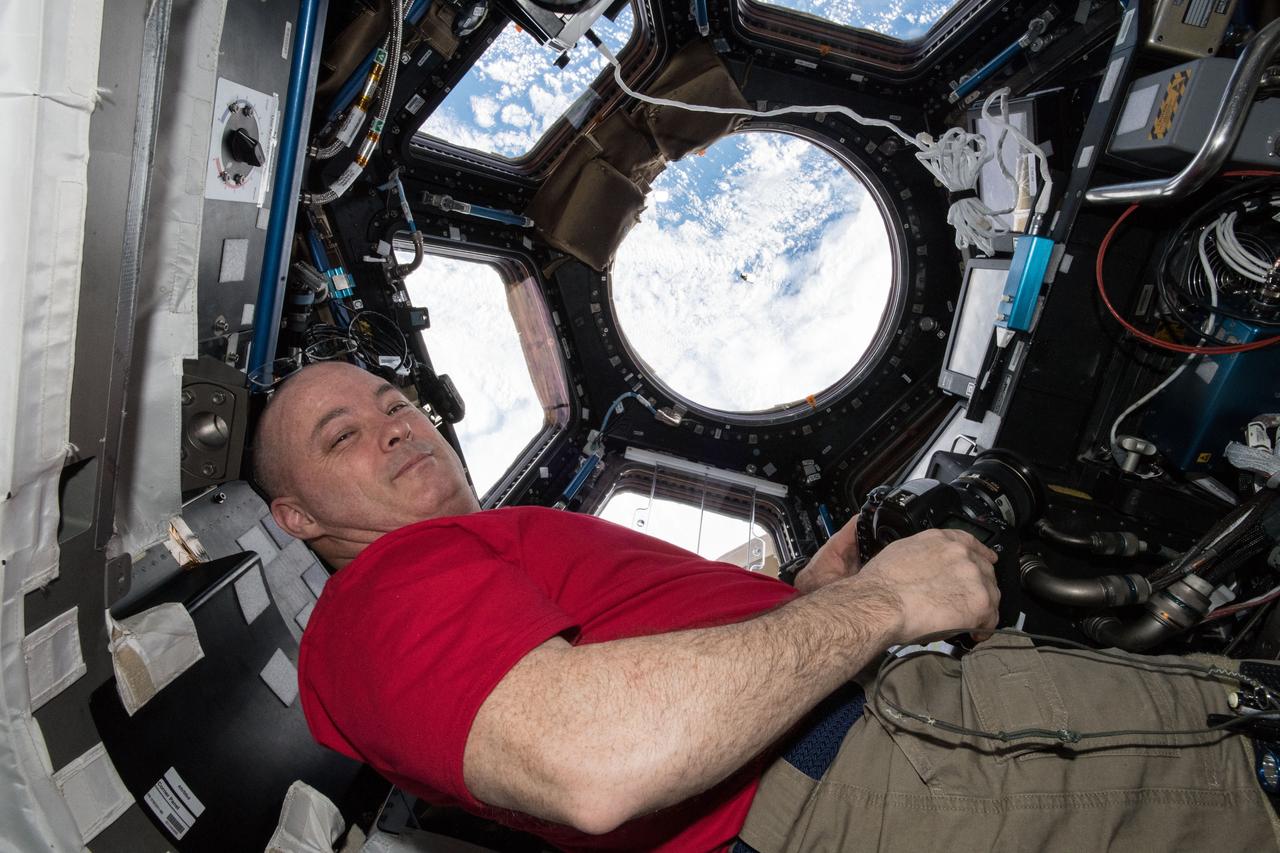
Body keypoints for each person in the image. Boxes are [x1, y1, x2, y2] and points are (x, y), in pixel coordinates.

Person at [254, 362, 1279, 852]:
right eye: (343, 436)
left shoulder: (479, 557)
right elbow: (595, 757)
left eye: (395, 403)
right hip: (881, 783)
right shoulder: (377, 594)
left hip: (868, 769)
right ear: (296, 517)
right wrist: (882, 600)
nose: (394, 427)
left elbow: (658, 698)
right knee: (1248, 777)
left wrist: (805, 599)